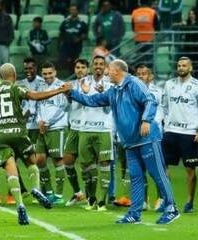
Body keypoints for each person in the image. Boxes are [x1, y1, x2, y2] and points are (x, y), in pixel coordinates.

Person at [66, 59, 180, 224]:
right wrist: (71, 93)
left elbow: (150, 101)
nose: (106, 72)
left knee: (157, 174)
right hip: (130, 142)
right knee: (135, 177)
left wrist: (146, 120)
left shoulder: (135, 84)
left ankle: (171, 208)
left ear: (117, 71)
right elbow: (92, 101)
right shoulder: (113, 91)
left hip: (147, 139)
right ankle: (134, 213)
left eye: (109, 70)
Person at [0, 63, 69, 225]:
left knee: (11, 170)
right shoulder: (16, 88)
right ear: (14, 75)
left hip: (0, 135)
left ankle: (20, 206)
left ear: (0, 76)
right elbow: (34, 96)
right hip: (18, 133)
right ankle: (36, 188)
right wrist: (59, 90)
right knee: (32, 163)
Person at [162, 57, 198, 213]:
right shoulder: (169, 84)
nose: (181, 68)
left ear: (190, 68)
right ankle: (168, 200)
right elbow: (164, 106)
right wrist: (165, 125)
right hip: (170, 132)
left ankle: (189, 202)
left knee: (190, 170)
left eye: (184, 65)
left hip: (188, 133)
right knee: (163, 167)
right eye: (179, 65)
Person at [75, 55, 114, 211]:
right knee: (86, 166)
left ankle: (102, 201)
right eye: (95, 63)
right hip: (85, 128)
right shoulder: (82, 82)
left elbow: (109, 108)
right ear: (91, 66)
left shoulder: (110, 83)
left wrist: (104, 93)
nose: (98, 66)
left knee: (104, 163)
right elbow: (77, 104)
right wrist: (83, 94)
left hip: (104, 129)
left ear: (105, 67)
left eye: (101, 64)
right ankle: (91, 199)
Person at [35, 61, 69, 204]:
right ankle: (48, 192)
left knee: (57, 159)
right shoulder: (40, 86)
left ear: (55, 72)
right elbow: (37, 106)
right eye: (45, 74)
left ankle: (59, 195)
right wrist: (39, 121)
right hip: (42, 129)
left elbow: (63, 108)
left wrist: (47, 123)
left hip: (57, 128)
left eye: (50, 73)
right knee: (40, 160)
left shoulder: (61, 87)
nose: (47, 76)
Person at [135, 63, 164, 210]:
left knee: (156, 168)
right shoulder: (132, 91)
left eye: (144, 73)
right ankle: (144, 200)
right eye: (138, 74)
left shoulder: (158, 92)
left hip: (153, 134)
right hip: (137, 135)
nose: (141, 76)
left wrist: (150, 125)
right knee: (140, 169)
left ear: (150, 76)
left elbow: (162, 111)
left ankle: (161, 197)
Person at [64, 58, 89, 206]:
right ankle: (78, 193)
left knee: (87, 164)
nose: (80, 70)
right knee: (67, 161)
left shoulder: (92, 84)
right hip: (73, 127)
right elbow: (68, 105)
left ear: (88, 69)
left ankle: (90, 195)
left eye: (83, 67)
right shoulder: (70, 85)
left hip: (88, 127)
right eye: (78, 67)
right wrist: (67, 97)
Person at [59, 4, 88, 73]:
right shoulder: (65, 22)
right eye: (71, 10)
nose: (72, 11)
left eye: (74, 10)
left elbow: (85, 34)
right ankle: (66, 74)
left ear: (78, 11)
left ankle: (74, 75)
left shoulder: (82, 22)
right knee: (64, 60)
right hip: (66, 45)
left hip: (76, 45)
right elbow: (61, 33)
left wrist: (79, 38)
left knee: (75, 61)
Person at [131, 0, 159, 67]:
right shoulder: (152, 12)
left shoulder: (134, 12)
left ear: (140, 3)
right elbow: (157, 27)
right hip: (149, 40)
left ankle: (140, 75)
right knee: (149, 60)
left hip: (138, 40)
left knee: (140, 60)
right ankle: (150, 74)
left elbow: (133, 28)